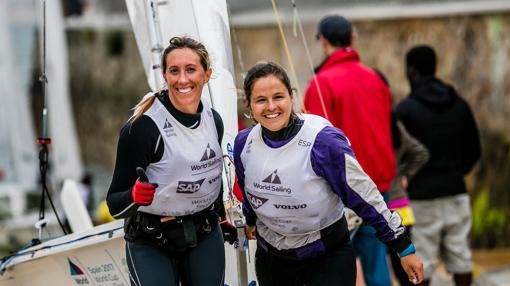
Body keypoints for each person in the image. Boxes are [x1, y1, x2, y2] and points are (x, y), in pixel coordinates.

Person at [234, 62, 423, 286]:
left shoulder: (322, 141)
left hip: (326, 257)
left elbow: (365, 195)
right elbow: (249, 192)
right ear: (249, 105)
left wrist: (403, 246)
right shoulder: (244, 143)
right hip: (273, 259)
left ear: (292, 97)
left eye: (278, 97)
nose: (271, 106)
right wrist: (249, 220)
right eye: (261, 100)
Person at [106, 36, 237, 286]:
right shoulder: (143, 127)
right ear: (165, 76)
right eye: (174, 71)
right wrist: (134, 197)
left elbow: (210, 174)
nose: (183, 79)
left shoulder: (213, 120)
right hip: (152, 239)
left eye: (191, 70)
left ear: (207, 74)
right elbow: (114, 203)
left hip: (203, 233)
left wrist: (220, 217)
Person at [303, 15, 396, 286]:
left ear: (323, 42)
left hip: (342, 190)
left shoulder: (321, 83)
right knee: (377, 264)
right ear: (352, 39)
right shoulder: (376, 78)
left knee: (331, 269)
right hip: (378, 185)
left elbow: (315, 144)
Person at [396, 45, 481, 286]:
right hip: (456, 192)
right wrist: (455, 173)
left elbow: (399, 154)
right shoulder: (459, 104)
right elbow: (474, 150)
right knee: (461, 259)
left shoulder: (406, 109)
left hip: (421, 198)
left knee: (421, 263)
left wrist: (408, 178)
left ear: (411, 71)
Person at [388, 115, 429, 286]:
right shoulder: (394, 125)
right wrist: (403, 173)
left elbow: (421, 153)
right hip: (400, 204)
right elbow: (420, 152)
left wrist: (403, 172)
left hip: (383, 203)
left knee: (387, 267)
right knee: (405, 268)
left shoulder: (370, 127)